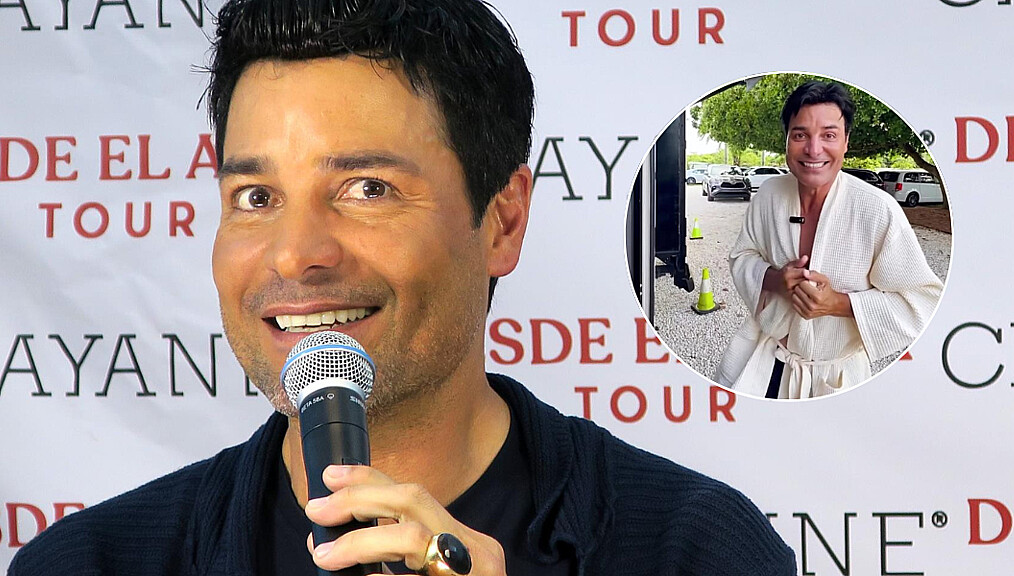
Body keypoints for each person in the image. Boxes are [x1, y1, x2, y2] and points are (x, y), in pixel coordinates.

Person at [9, 1, 795, 574]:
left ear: (503, 221)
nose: (297, 255)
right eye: (256, 196)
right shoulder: (89, 563)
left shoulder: (696, 550)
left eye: (367, 189)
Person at [715, 81, 943, 399]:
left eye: (829, 135)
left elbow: (924, 302)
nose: (813, 149)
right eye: (800, 135)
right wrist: (775, 280)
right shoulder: (769, 195)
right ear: (786, 141)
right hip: (767, 363)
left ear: (846, 142)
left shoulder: (877, 210)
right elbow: (743, 255)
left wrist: (838, 304)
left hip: (836, 377)